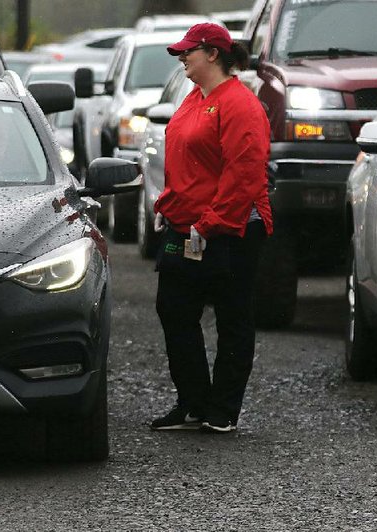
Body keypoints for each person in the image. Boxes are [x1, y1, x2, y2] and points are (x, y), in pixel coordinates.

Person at [149, 23, 272, 434]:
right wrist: (167, 206)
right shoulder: (192, 99)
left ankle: (222, 409)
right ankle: (194, 402)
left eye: (189, 52)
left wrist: (212, 223)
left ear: (214, 54)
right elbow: (186, 164)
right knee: (174, 309)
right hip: (188, 226)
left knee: (233, 318)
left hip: (232, 229)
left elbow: (245, 175)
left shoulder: (240, 105)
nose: (182, 58)